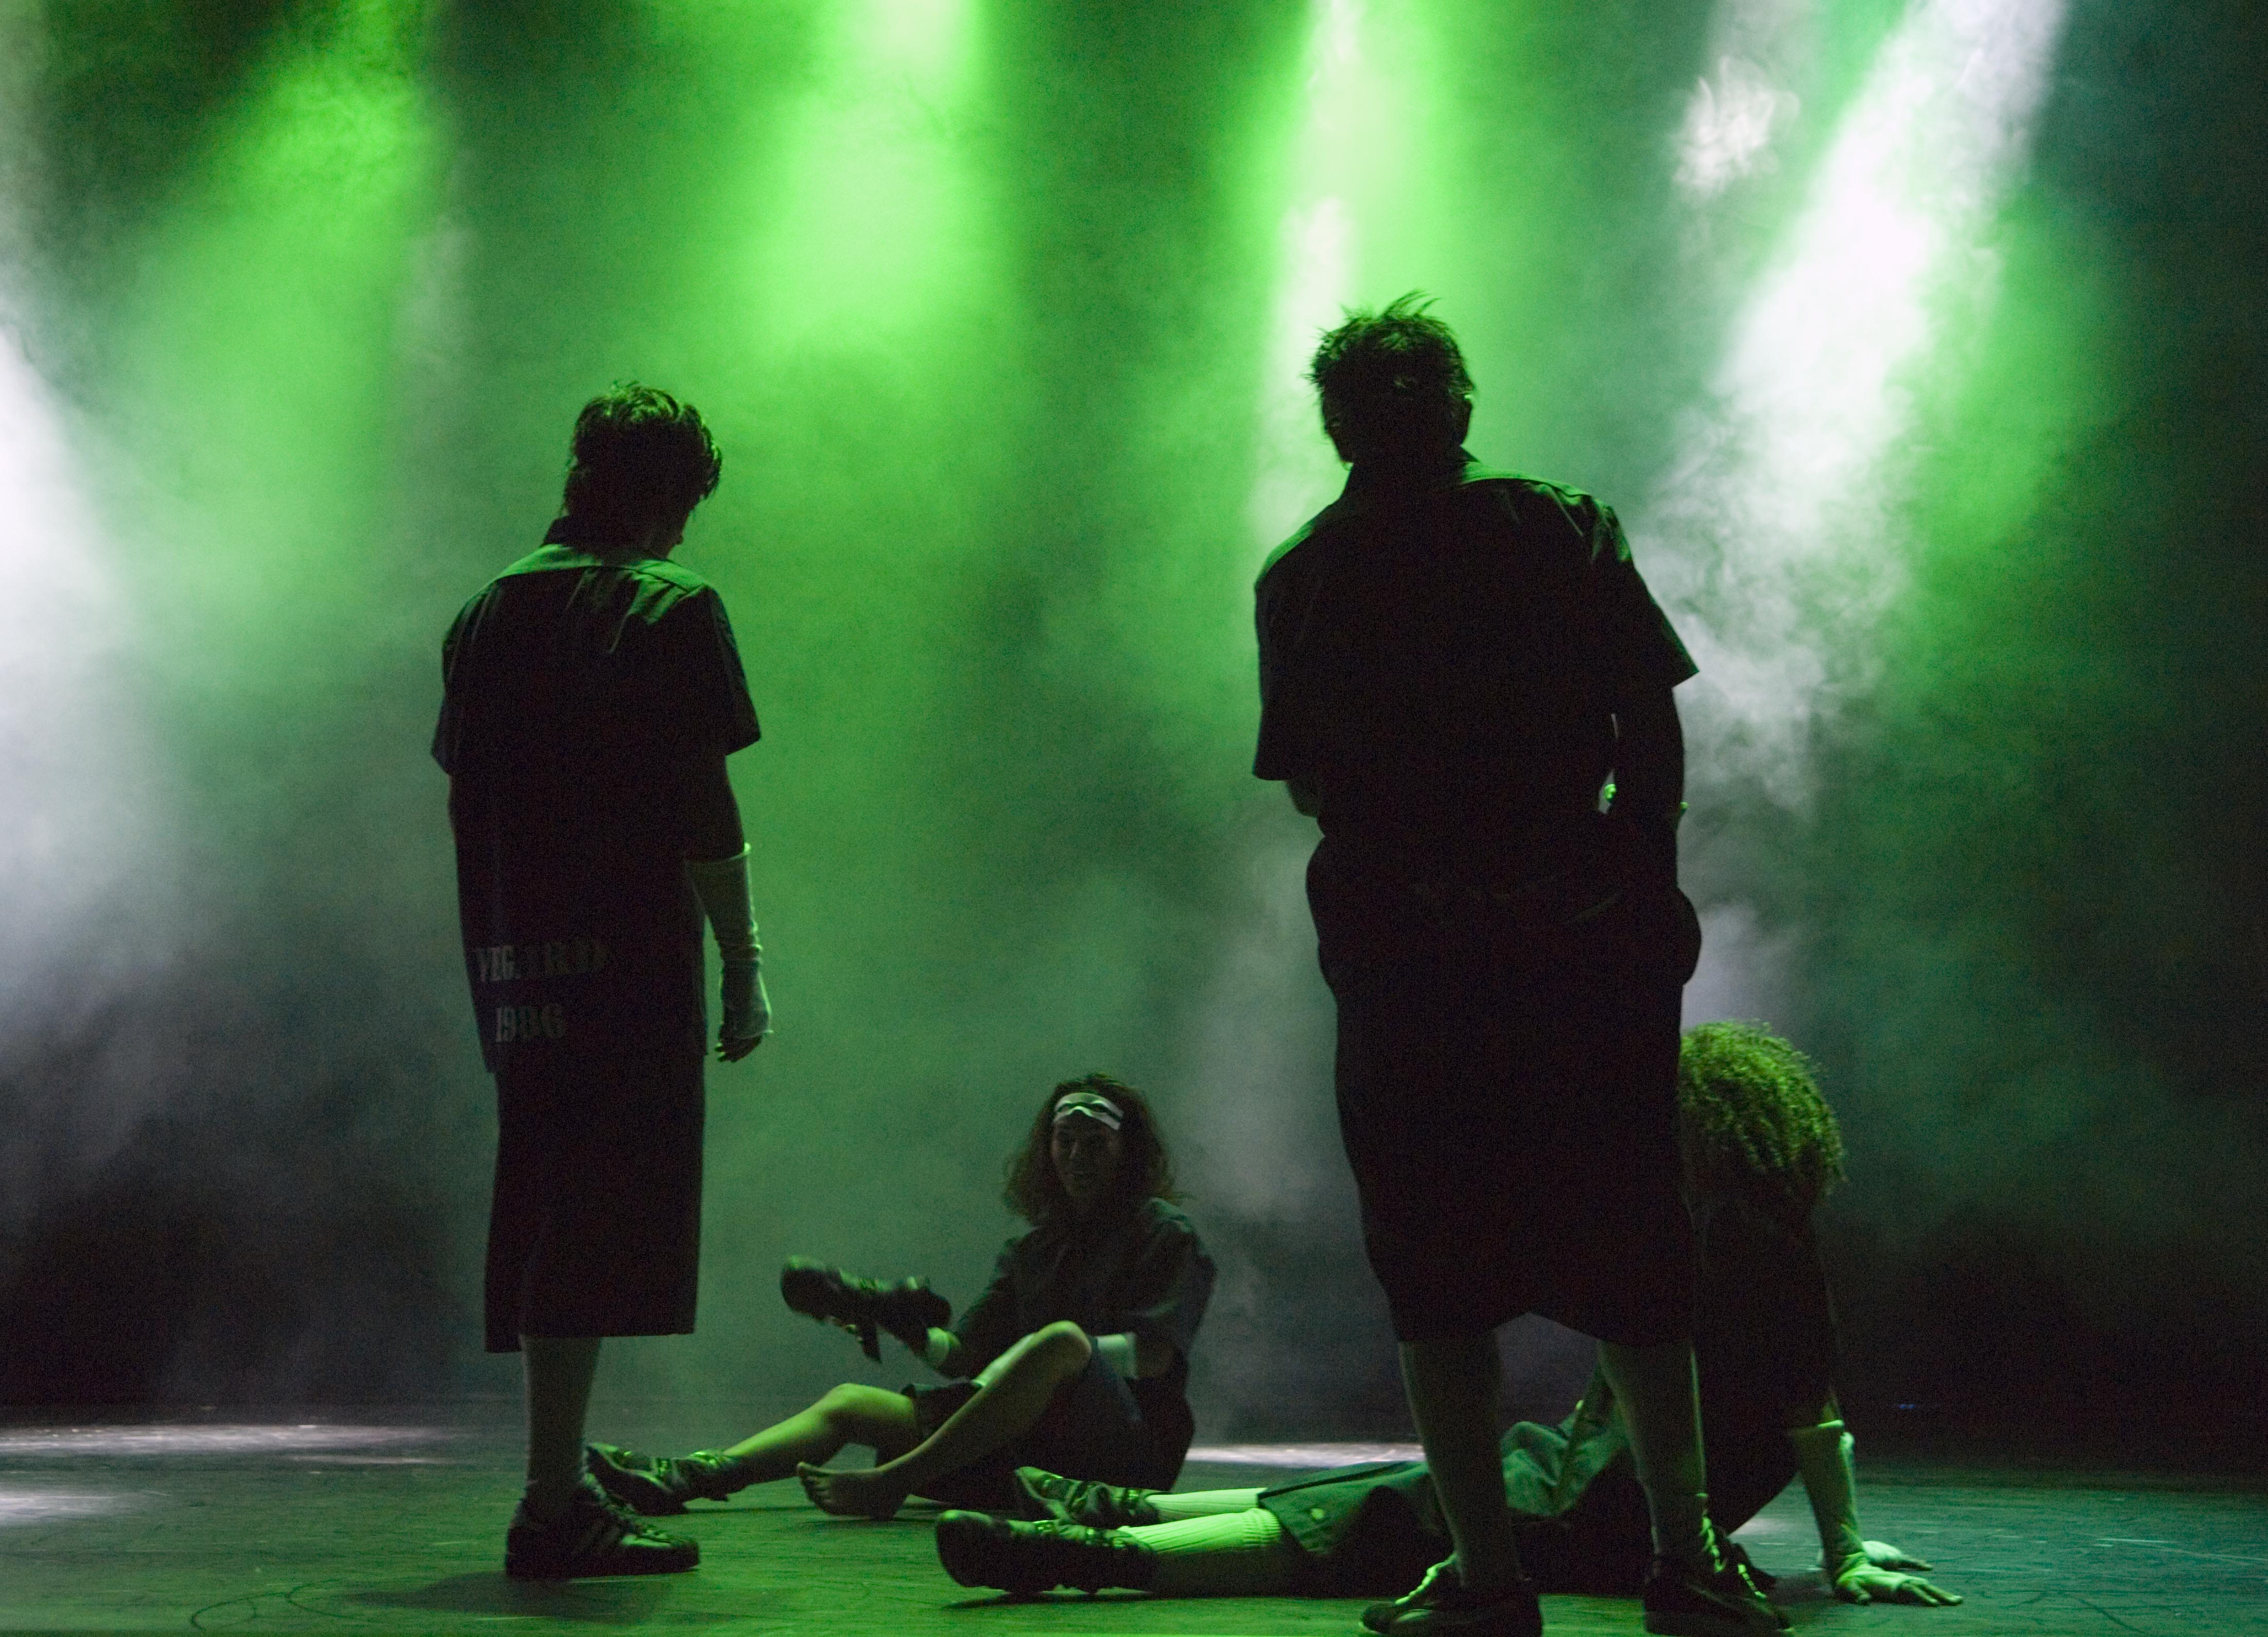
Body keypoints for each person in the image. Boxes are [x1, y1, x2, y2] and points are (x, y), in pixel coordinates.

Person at [1244, 296, 1772, 1637]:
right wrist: (1633, 874)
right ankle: (1685, 1558)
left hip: (1408, 962)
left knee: (1431, 1266)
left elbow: (1307, 783)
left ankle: (1486, 1577)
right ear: (1461, 408)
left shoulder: (1301, 574)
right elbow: (1647, 720)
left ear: (1335, 428)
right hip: (1578, 946)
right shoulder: (1558, 524)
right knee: (1634, 1242)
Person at [931, 1023, 1962, 1621]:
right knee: (1376, 1488)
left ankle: (1087, 1548)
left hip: (1597, 1510)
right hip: (1578, 1478)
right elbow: (1808, 1407)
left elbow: (1809, 1411)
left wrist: (1844, 1550)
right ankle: (1116, 1511)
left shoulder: (1740, 1246)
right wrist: (1841, 1547)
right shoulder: (1733, 1238)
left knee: (1363, 1520)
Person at [434, 383, 771, 1580]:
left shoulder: (480, 616)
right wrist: (744, 964)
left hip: (516, 969)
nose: (684, 531)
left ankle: (557, 1486)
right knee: (592, 1225)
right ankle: (551, 1505)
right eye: (683, 505)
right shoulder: (671, 607)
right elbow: (704, 809)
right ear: (662, 496)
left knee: (549, 1214)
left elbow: (470, 792)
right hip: (627, 967)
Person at [585, 1074, 1217, 1523]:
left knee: (1062, 1341)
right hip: (1034, 1448)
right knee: (849, 1403)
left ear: (1127, 1150)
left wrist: (1038, 1353)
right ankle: (688, 1476)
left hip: (1123, 1455)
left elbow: (1154, 1356)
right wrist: (899, 1322)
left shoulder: (1162, 1232)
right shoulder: (1032, 1248)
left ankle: (892, 1481)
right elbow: (964, 1356)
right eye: (1065, 1140)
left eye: (1095, 1141)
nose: (1077, 1155)